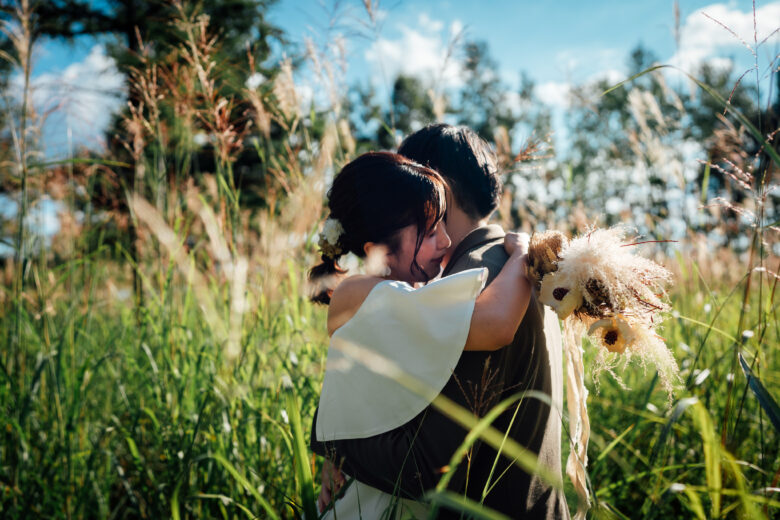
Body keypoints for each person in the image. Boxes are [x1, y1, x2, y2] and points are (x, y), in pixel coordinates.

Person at [313, 125, 569, 519]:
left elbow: (429, 467)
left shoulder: (480, 274)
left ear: (437, 188)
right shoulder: (511, 267)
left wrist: (337, 445)